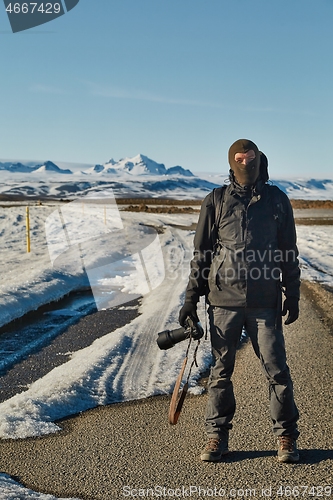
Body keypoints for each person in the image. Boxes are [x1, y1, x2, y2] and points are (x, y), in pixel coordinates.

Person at [179, 139, 300, 463]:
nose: (245, 163)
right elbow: (202, 254)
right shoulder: (216, 201)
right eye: (239, 158)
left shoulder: (277, 201)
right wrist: (191, 299)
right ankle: (217, 436)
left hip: (265, 302)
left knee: (276, 370)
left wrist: (293, 294)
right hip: (223, 302)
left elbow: (289, 252)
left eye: (250, 158)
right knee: (220, 372)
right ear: (231, 163)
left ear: (260, 161)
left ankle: (286, 436)